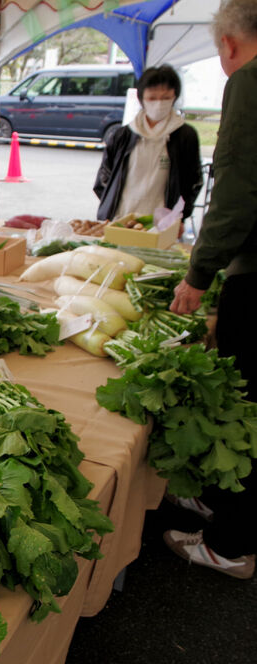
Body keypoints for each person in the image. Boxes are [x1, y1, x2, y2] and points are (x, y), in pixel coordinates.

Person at [166, 0, 257, 580]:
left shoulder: (249, 82)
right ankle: (221, 504)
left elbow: (236, 193)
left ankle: (231, 545)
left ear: (227, 45)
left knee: (248, 409)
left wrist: (199, 276)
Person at [94, 65, 203, 224]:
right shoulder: (122, 135)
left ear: (175, 97)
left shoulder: (185, 136)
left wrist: (180, 217)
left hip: (162, 223)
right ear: (141, 99)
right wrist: (109, 208)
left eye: (166, 98)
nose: (159, 104)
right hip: (119, 219)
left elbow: (193, 182)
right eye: (152, 98)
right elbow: (104, 179)